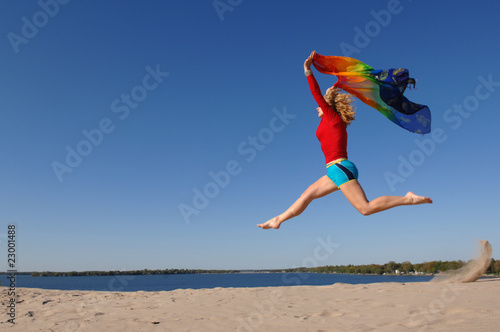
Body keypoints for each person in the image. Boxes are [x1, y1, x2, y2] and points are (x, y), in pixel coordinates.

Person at [257, 51, 432, 230]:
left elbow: (316, 94)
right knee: (306, 195)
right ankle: (278, 220)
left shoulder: (332, 117)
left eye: (321, 105)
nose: (317, 107)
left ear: (328, 106)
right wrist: (330, 93)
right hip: (334, 170)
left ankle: (409, 198)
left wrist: (308, 71)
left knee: (365, 208)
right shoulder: (332, 120)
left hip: (340, 167)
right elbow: (322, 99)